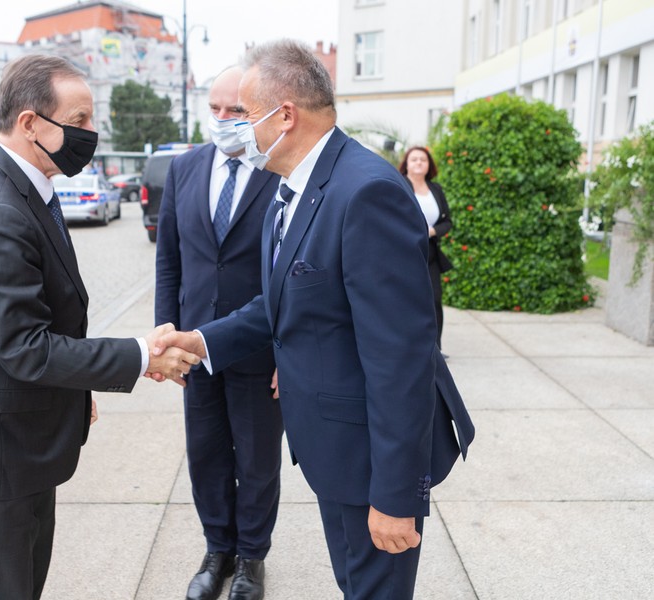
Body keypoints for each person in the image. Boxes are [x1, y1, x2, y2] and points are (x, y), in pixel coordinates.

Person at [153, 40, 474, 600]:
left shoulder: (366, 191)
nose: (237, 130)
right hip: (336, 452)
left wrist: (396, 496)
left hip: (370, 462)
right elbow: (283, 302)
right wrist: (201, 340)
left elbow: (401, 358)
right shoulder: (298, 185)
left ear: (284, 116)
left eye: (246, 115)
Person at [0, 54, 199, 600]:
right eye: (79, 119)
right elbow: (26, 348)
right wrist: (142, 354)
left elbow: (40, 320)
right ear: (30, 123)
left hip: (17, 437)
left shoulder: (26, 190)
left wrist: (73, 392)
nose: (91, 132)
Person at [155, 66, 283, 600]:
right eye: (215, 108)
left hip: (258, 347)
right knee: (206, 454)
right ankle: (217, 549)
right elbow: (170, 261)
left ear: (258, 111)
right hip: (193, 348)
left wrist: (287, 354)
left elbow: (290, 272)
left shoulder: (279, 170)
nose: (224, 118)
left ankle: (251, 557)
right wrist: (165, 336)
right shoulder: (184, 169)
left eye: (236, 110)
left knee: (257, 460)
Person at [399, 147, 453, 350]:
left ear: (429, 164)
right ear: (406, 164)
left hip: (430, 252)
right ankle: (409, 345)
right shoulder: (399, 185)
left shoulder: (436, 189)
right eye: (414, 159)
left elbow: (447, 222)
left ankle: (435, 348)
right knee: (408, 299)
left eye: (423, 159)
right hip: (405, 251)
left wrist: (432, 231)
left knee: (435, 299)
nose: (419, 162)